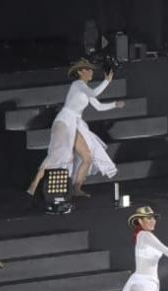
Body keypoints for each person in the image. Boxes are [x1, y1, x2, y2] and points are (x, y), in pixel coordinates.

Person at [26, 59, 123, 197]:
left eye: (91, 70)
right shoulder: (77, 84)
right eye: (88, 70)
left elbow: (99, 107)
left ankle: (77, 188)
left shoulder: (85, 90)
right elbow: (94, 93)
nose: (91, 72)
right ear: (80, 72)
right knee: (56, 156)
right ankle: (34, 185)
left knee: (87, 157)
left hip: (75, 123)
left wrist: (114, 104)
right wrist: (107, 81)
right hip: (64, 121)